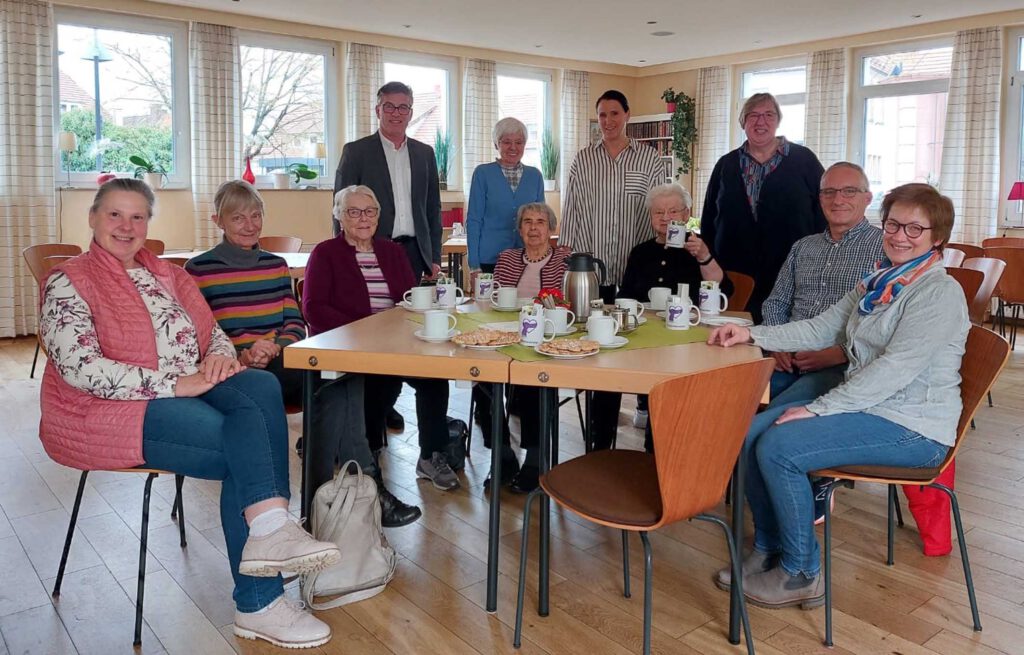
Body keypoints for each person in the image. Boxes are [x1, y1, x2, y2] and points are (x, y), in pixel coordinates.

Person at [38, 179, 340, 649]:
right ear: (94, 218)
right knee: (246, 444)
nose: (126, 226)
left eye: (138, 216)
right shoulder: (69, 280)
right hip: (109, 409)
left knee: (259, 385)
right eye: (115, 214)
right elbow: (81, 369)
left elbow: (212, 331)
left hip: (191, 389)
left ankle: (267, 535)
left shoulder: (167, 274)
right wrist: (178, 384)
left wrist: (220, 357)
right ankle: (259, 596)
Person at [708, 183, 969, 610]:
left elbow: (893, 371)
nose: (900, 236)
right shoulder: (880, 282)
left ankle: (801, 573)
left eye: (915, 229)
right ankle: (771, 547)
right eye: (893, 224)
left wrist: (815, 408)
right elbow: (820, 327)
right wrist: (751, 333)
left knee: (779, 446)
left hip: (914, 427)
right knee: (752, 431)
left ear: (936, 237)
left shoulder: (937, 293)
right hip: (875, 408)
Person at [187, 180, 421, 528]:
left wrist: (276, 345)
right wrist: (244, 353)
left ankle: (322, 505)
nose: (250, 225)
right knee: (335, 390)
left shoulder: (275, 265)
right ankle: (363, 492)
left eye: (256, 216)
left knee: (340, 375)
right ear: (218, 220)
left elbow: (297, 321)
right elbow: (196, 337)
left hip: (283, 361)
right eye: (239, 219)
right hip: (233, 372)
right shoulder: (199, 271)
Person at [304, 185, 459, 492]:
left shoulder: (392, 251)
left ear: (378, 216)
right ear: (339, 217)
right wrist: (365, 331)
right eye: (354, 211)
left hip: (394, 345)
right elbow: (313, 309)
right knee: (378, 381)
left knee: (434, 378)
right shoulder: (325, 253)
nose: (363, 218)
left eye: (370, 211)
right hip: (348, 347)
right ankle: (367, 456)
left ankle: (431, 455)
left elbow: (406, 300)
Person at [334, 80, 442, 433]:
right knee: (374, 328)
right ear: (377, 109)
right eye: (390, 106)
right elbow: (340, 206)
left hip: (413, 252)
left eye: (404, 107)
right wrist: (344, 256)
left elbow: (432, 209)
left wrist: (434, 255)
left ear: (411, 112)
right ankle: (377, 401)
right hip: (371, 250)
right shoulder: (357, 151)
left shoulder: (425, 153)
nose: (397, 113)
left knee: (408, 330)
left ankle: (386, 399)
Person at [600, 182, 733, 441]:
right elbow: (625, 295)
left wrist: (703, 256)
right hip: (642, 334)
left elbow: (722, 289)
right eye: (659, 212)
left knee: (664, 381)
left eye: (673, 211)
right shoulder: (640, 252)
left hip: (685, 337)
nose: (666, 218)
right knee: (606, 369)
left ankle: (655, 450)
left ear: (686, 214)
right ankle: (600, 445)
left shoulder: (699, 247)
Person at [760, 162, 886, 406]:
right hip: (785, 358)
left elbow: (883, 325)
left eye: (849, 191)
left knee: (775, 413)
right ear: (820, 198)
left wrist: (838, 354)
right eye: (829, 192)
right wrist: (778, 343)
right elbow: (776, 302)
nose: (837, 200)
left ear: (868, 198)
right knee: (726, 395)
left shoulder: (885, 250)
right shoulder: (803, 246)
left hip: (839, 368)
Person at [700, 92, 827, 322]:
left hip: (791, 273)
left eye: (769, 115)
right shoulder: (726, 165)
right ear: (743, 122)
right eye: (753, 115)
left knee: (784, 343)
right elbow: (709, 219)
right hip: (734, 276)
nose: (761, 122)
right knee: (735, 339)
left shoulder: (804, 160)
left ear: (778, 121)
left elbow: (823, 213)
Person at [476, 202, 571, 492]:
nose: (533, 228)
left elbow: (566, 303)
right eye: (527, 222)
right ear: (519, 229)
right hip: (506, 335)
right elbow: (493, 301)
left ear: (551, 228)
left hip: (548, 337)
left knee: (533, 378)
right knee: (482, 380)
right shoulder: (506, 258)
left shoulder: (564, 260)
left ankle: (535, 458)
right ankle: (503, 454)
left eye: (540, 222)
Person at [560, 90, 664, 292]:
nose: (608, 121)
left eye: (614, 113)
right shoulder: (583, 159)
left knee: (632, 320)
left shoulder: (649, 158)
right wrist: (566, 245)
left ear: (627, 115)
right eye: (602, 115)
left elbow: (659, 205)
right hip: (592, 258)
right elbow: (572, 205)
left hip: (634, 257)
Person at [466, 117, 546, 277]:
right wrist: (474, 265)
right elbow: (474, 220)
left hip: (527, 258)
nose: (513, 147)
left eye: (519, 142)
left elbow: (541, 221)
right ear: (497, 144)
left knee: (526, 302)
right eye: (507, 142)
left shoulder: (535, 175)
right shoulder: (482, 173)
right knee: (489, 302)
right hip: (489, 259)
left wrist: (542, 256)